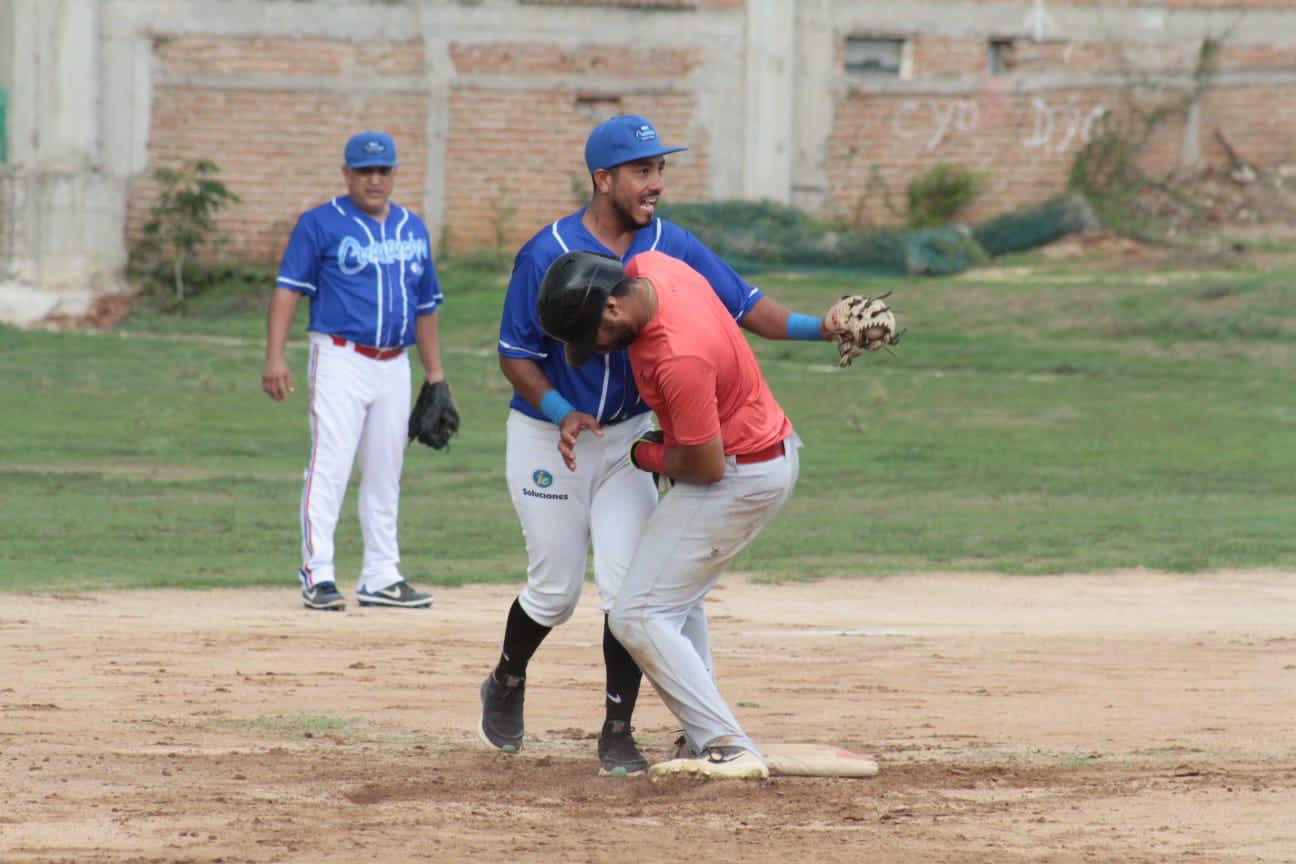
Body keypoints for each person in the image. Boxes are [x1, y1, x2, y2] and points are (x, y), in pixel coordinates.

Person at [479, 114, 838, 776]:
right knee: (555, 591)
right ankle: (506, 678)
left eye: (660, 169)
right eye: (643, 171)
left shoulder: (663, 249)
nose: (657, 184)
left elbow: (747, 307)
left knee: (628, 594)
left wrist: (825, 326)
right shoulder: (545, 252)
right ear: (604, 178)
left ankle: (618, 730)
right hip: (549, 433)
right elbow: (515, 356)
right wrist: (561, 410)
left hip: (631, 440)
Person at [538, 249, 800, 780]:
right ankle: (705, 733)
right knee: (673, 602)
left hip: (738, 475)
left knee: (636, 615)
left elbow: (704, 467)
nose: (598, 351)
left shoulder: (678, 356)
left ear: (612, 309)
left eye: (595, 337)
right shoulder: (652, 267)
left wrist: (644, 454)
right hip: (751, 454)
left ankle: (727, 745)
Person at [262, 131, 446, 612]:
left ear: (393, 174)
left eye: (383, 170)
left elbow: (426, 306)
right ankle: (318, 573)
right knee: (331, 465)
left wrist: (436, 375)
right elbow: (287, 291)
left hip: (395, 363)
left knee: (387, 471)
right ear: (346, 174)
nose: (374, 179)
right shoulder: (320, 223)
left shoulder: (413, 228)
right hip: (340, 356)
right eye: (364, 171)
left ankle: (382, 575)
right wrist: (275, 356)